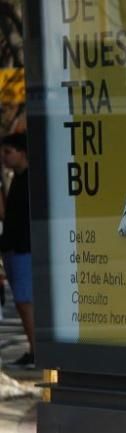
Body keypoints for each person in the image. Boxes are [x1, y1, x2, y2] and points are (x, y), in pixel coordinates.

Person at [0, 132, 34, 369]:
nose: (4, 157)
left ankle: (36, 348)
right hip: (13, 247)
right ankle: (34, 347)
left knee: (24, 301)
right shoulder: (17, 179)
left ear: (22, 153)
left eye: (8, 152)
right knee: (23, 301)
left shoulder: (29, 180)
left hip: (22, 248)